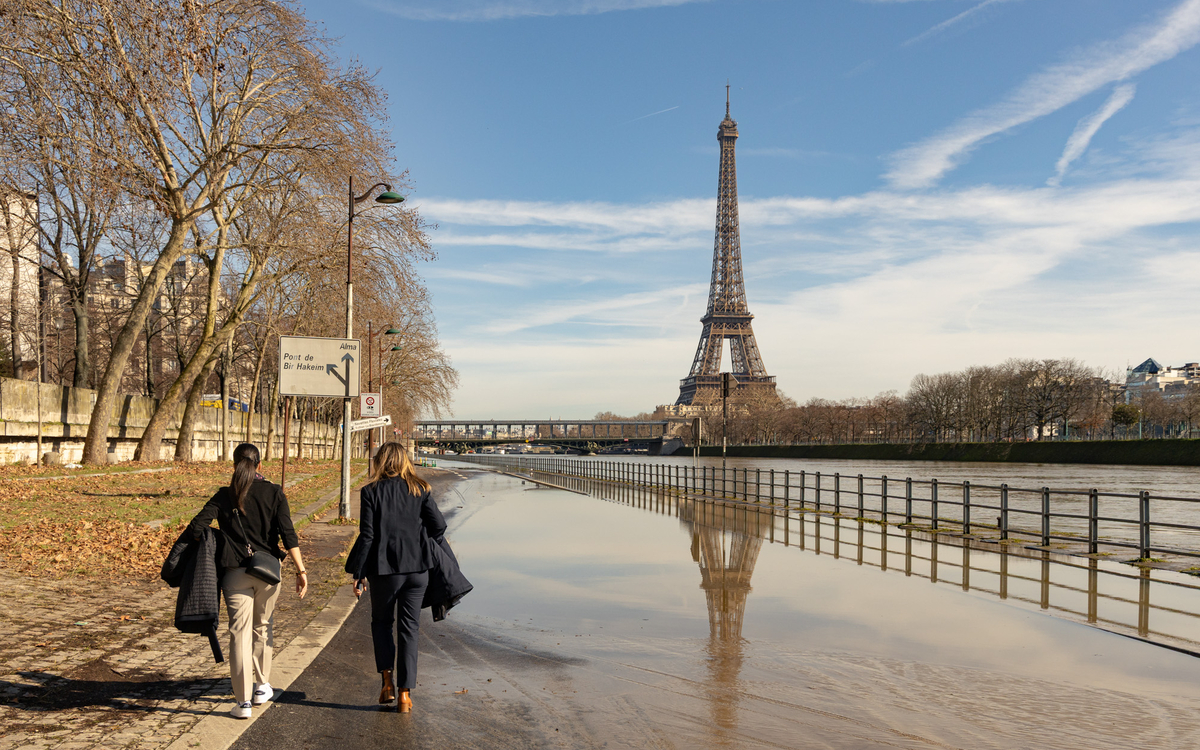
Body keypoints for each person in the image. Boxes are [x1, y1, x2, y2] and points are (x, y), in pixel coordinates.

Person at [188, 443, 307, 720]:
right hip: (268, 574)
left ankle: (242, 704)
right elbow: (289, 534)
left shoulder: (223, 496)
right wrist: (301, 572)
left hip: (235, 574)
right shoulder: (274, 492)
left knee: (238, 634)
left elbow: (197, 527)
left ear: (234, 465)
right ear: (260, 465)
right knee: (262, 627)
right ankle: (262, 686)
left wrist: (217, 543)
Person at [347, 441, 446, 712]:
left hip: (384, 570)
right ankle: (405, 695)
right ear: (405, 461)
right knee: (409, 629)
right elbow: (439, 526)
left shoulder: (370, 492)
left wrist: (359, 572)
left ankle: (387, 682)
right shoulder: (421, 490)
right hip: (417, 571)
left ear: (380, 462)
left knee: (381, 623)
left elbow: (367, 536)